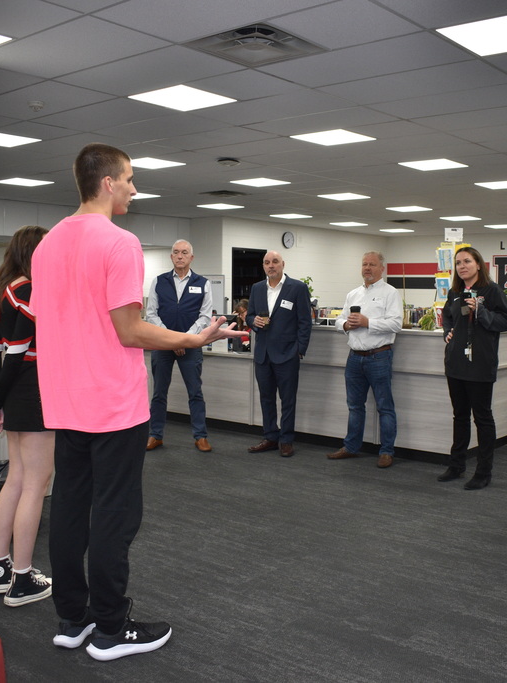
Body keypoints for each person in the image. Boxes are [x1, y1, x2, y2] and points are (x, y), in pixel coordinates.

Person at [31, 143, 240, 662]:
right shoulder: (119, 243)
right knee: (115, 516)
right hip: (112, 405)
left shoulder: (46, 245)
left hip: (64, 402)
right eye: (128, 179)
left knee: (71, 510)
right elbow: (129, 331)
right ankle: (109, 627)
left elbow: (54, 321)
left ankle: (71, 618)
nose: (133, 188)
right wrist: (192, 340)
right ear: (106, 182)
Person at [0, 225, 54, 607]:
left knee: (17, 478)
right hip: (35, 390)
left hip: (16, 392)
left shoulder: (5, 289)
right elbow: (18, 352)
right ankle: (23, 578)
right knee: (35, 484)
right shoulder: (30, 289)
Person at [437, 246, 507, 489]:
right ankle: (457, 465)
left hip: (480, 363)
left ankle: (483, 471)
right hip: (456, 363)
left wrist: (481, 311)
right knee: (459, 416)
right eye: (458, 263)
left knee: (482, 418)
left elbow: (505, 322)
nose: (462, 266)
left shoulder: (491, 291)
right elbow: (449, 316)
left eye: (467, 261)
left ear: (478, 264)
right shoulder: (455, 291)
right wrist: (448, 332)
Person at [326, 251, 402, 468]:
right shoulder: (353, 294)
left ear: (382, 269)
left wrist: (368, 322)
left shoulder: (391, 293)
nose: (367, 268)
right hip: (354, 358)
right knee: (354, 406)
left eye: (372, 264)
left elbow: (396, 324)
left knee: (385, 407)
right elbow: (340, 321)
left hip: (379, 356)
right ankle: (351, 447)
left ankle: (387, 451)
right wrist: (347, 325)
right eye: (364, 264)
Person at [145, 239, 213, 453]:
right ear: (171, 257)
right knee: (158, 393)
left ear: (191, 257)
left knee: (195, 392)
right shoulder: (159, 281)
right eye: (176, 252)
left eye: (184, 252)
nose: (180, 256)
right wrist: (171, 339)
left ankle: (200, 436)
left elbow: (205, 317)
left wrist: (184, 340)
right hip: (162, 345)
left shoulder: (203, 283)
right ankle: (155, 435)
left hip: (190, 346)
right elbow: (151, 314)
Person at [245, 250, 312, 457]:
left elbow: (304, 321)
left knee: (288, 399)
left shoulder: (297, 288)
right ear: (263, 266)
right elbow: (249, 316)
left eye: (275, 262)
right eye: (266, 262)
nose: (271, 266)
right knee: (266, 398)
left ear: (283, 264)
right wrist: (253, 321)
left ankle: (286, 440)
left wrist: (300, 350)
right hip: (263, 354)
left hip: (287, 354)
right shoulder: (257, 288)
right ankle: (270, 436)